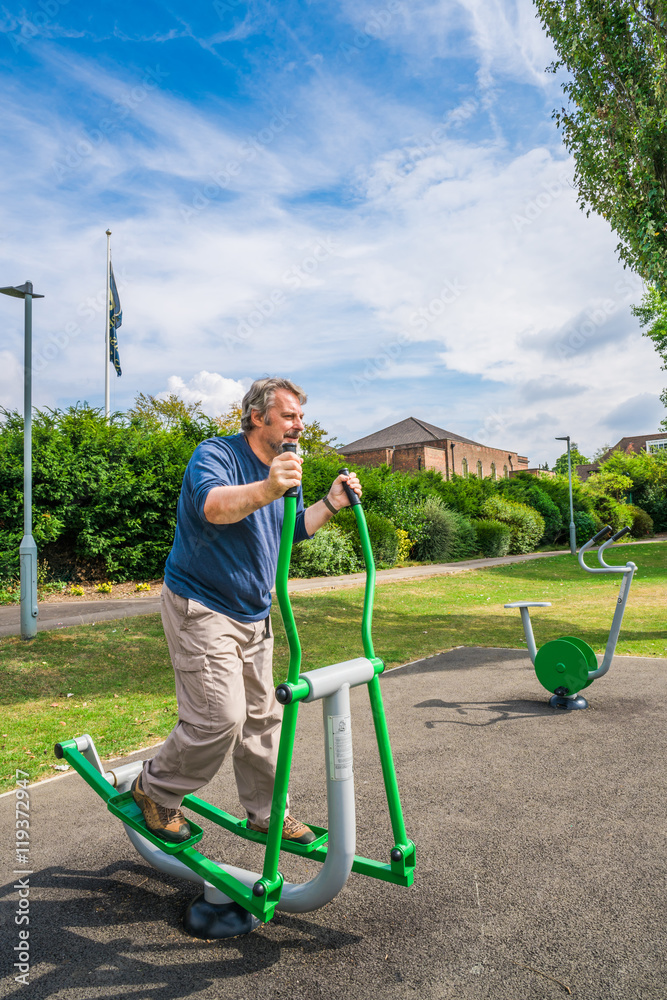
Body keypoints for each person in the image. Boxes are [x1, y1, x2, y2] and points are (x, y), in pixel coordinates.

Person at [132, 376, 362, 844]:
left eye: (301, 415)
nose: (301, 424)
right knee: (219, 717)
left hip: (253, 612)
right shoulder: (214, 455)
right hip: (202, 604)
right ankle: (154, 789)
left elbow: (287, 533)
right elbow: (214, 508)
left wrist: (331, 503)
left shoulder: (287, 468)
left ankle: (266, 812)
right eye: (290, 416)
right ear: (258, 417)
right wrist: (269, 487)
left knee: (263, 719)